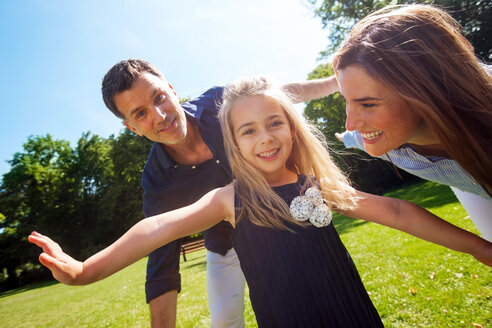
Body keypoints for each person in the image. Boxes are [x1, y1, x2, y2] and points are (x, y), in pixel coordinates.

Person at [29, 77, 492, 327]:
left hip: (351, 313)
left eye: (275, 123)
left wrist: (477, 246)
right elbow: (158, 229)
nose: (265, 138)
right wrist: (85, 271)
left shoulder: (319, 186)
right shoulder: (229, 199)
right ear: (231, 142)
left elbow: (395, 210)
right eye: (247, 130)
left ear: (292, 126)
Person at [99, 59, 340, 327]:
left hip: (277, 224)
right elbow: (161, 263)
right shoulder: (158, 181)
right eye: (140, 114)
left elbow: (274, 97)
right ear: (132, 128)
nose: (159, 115)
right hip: (224, 247)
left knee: (308, 303)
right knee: (225, 321)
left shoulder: (217, 102)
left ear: (171, 89)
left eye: (159, 97)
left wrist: (332, 83)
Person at [331, 4, 492, 241]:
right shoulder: (367, 138)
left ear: (425, 91)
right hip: (472, 184)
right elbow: (346, 136)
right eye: (348, 101)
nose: (352, 123)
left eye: (368, 104)